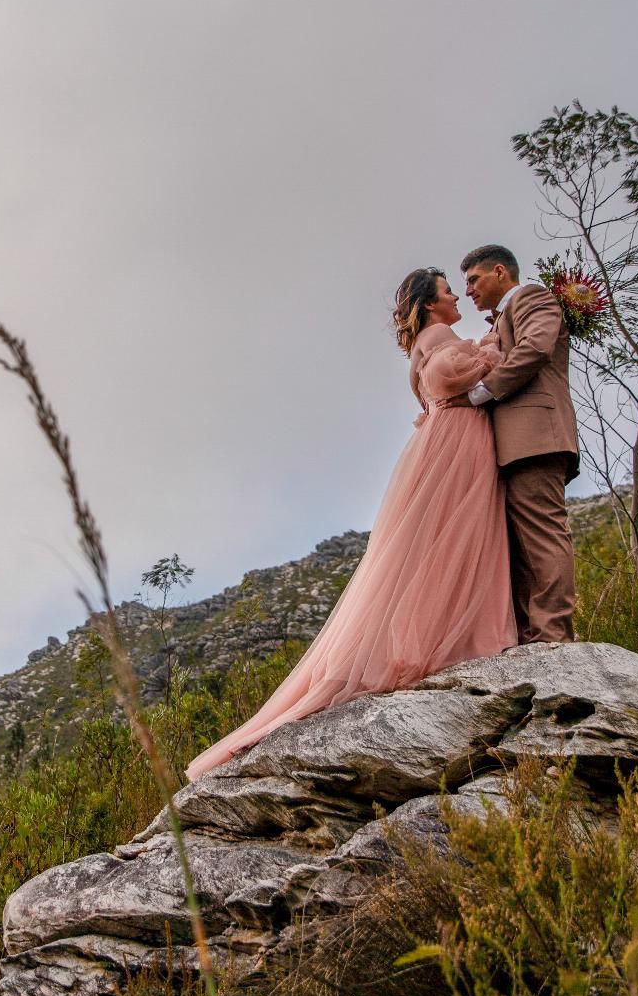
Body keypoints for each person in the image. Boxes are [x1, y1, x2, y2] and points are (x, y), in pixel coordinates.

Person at [185, 268, 517, 781]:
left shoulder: (424, 342)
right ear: (430, 304)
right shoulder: (441, 335)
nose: (457, 297)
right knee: (461, 538)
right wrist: (493, 346)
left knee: (437, 545)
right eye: (450, 290)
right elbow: (452, 377)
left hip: (441, 443)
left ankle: (441, 636)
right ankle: (458, 639)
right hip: (457, 442)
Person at [460, 244, 579, 644]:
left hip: (536, 436)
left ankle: (553, 635)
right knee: (518, 545)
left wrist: (483, 390)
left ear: (499, 272)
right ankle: (531, 634)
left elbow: (535, 348)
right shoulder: (496, 323)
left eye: (473, 280)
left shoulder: (532, 297)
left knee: (542, 534)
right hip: (511, 444)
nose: (469, 291)